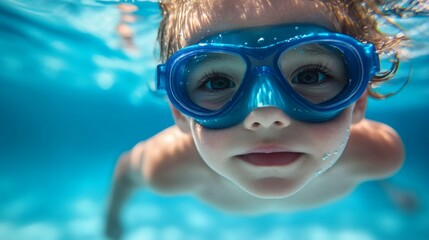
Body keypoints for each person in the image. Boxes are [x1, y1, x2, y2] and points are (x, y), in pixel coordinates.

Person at [105, 0, 408, 238]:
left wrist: (390, 187)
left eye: (310, 75)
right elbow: (125, 171)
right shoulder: (167, 165)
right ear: (179, 113)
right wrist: (113, 218)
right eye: (217, 83)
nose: (265, 115)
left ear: (358, 102)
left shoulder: (379, 153)